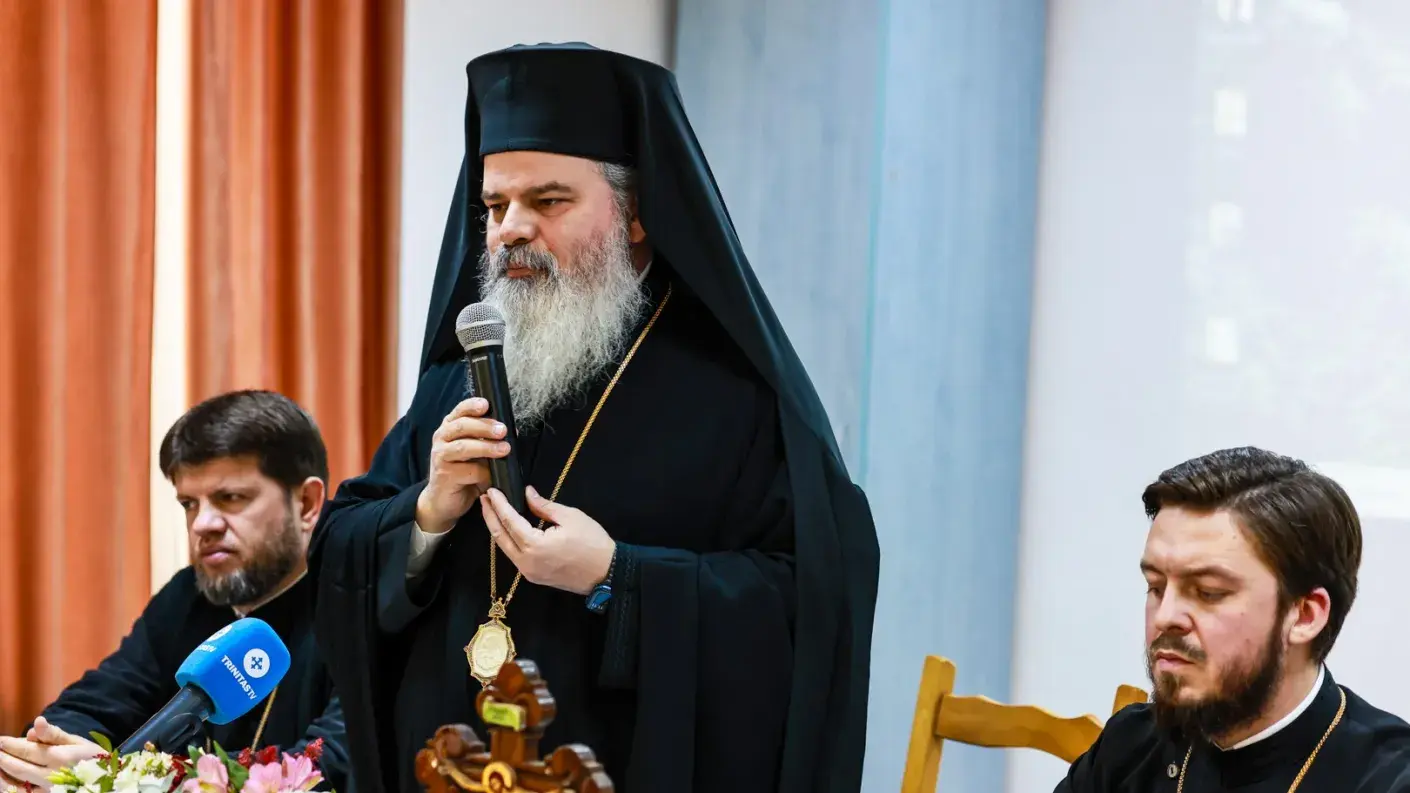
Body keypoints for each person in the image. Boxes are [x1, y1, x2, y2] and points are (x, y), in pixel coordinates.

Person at [308, 42, 880, 793]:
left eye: (548, 202)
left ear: (637, 214)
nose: (511, 229)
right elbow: (342, 550)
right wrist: (426, 514)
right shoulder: (461, 380)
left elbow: (811, 603)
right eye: (495, 206)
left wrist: (619, 577)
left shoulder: (732, 398)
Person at [0, 390, 351, 792]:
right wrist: (46, 752)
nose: (202, 524)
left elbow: (328, 768)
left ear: (306, 503)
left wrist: (117, 775)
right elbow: (98, 701)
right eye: (189, 503)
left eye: (230, 498)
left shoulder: (359, 608)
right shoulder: (188, 595)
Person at [1055, 446, 1410, 792]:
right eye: (1156, 587)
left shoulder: (1389, 777)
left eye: (1208, 592)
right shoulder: (1130, 746)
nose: (1165, 617)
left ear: (1304, 616)